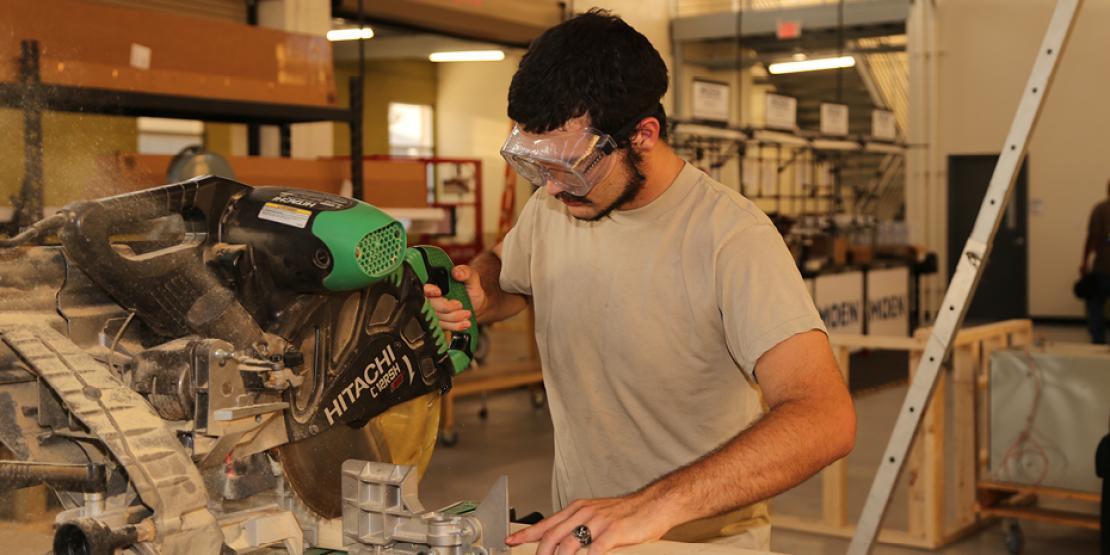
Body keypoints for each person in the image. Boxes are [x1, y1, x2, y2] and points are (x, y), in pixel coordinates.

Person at [425, 10, 855, 554]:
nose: (553, 190)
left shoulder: (731, 238)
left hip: (698, 544)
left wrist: (652, 505)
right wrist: (478, 291)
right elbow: (508, 275)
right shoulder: (555, 207)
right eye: (538, 167)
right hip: (582, 537)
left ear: (642, 135)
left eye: (572, 169)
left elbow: (825, 416)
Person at [1081, 178, 1110, 344]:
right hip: (1103, 268)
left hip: (1102, 268)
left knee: (1096, 307)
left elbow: (1092, 238)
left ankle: (1098, 341)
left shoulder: (1100, 209)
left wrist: (1084, 261)